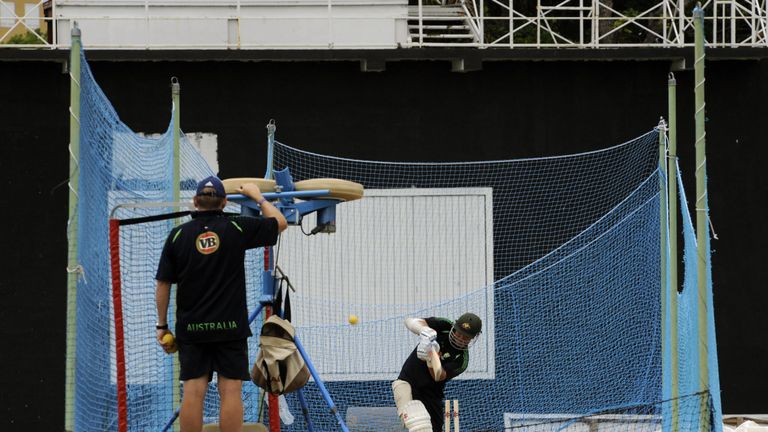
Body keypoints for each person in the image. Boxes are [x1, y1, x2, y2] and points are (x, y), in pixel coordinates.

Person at [155, 176, 288, 432]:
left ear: (195, 202)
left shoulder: (178, 235)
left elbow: (163, 284)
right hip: (230, 326)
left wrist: (162, 326)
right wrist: (256, 196)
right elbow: (280, 223)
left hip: (192, 329)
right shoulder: (236, 227)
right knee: (230, 389)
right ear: (225, 202)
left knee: (193, 390)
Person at [392, 313, 482, 432]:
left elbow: (438, 376)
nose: (459, 338)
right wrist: (425, 331)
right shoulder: (444, 325)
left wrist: (431, 358)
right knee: (416, 424)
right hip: (407, 381)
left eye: (465, 337)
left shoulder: (461, 360)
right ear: (454, 327)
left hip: (431, 394)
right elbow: (410, 321)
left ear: (473, 338)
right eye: (458, 333)